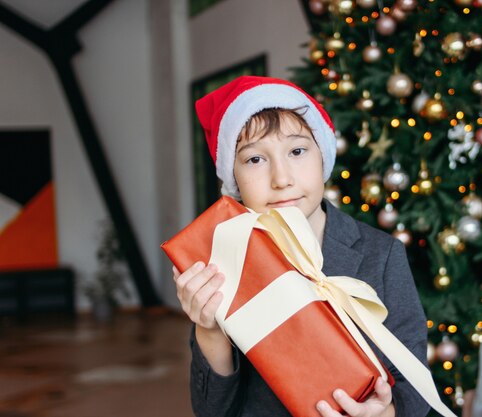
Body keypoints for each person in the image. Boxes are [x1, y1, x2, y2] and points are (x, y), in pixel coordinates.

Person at [173, 76, 430, 417]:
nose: (282, 179)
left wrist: (386, 412)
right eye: (254, 160)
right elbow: (210, 411)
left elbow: (415, 385)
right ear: (232, 178)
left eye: (297, 151)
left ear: (322, 156)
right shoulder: (225, 264)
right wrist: (209, 330)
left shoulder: (382, 255)